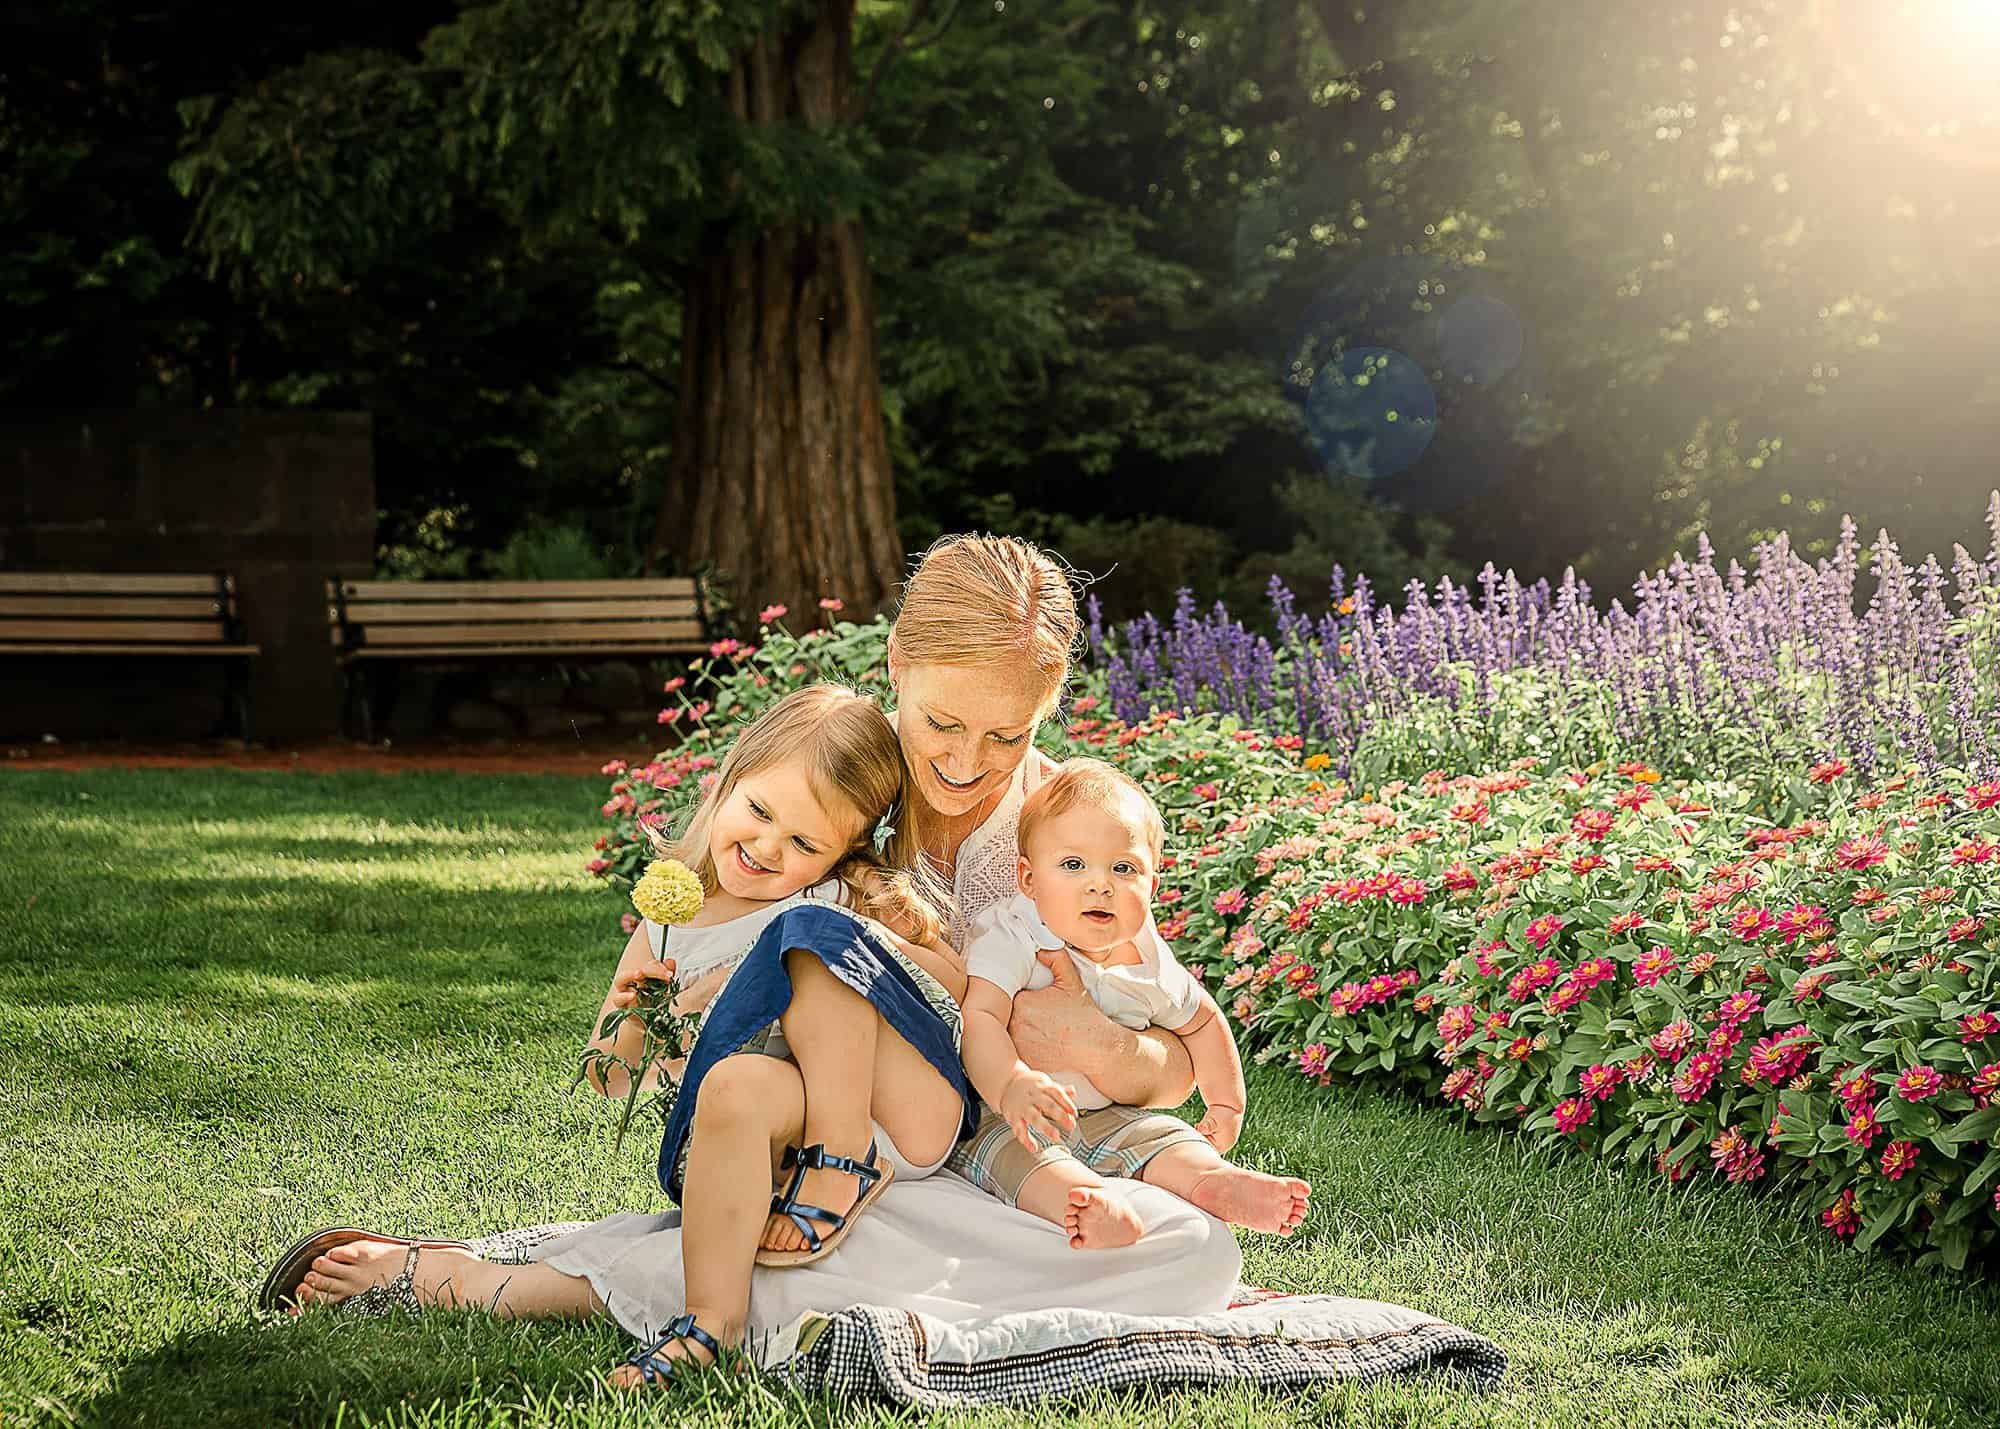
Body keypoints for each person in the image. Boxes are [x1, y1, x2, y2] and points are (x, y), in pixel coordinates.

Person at [260, 534, 1239, 1382]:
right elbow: (688, 978)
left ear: (1047, 707)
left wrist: (1097, 1047)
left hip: (984, 1155)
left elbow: (1161, 1054)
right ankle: (468, 1278)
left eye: (1005, 734)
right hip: (829, 1131)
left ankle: (488, 1278)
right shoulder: (831, 778)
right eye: (940, 722)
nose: (963, 761)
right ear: (896, 663)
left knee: (1182, 1246)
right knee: (829, 1227)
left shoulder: (1064, 823)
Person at [955, 758, 1311, 1248]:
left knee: (1162, 1135)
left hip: (1110, 1113)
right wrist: (1011, 1084)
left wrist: (1226, 1105)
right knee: (1020, 1159)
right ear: (1029, 879)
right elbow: (980, 1017)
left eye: (1123, 869)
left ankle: (1213, 1181)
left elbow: (1203, 1020)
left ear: (1152, 888)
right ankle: (1082, 1203)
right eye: (1073, 865)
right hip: (1012, 1111)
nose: (1100, 884)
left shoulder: (1148, 956)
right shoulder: (1017, 933)